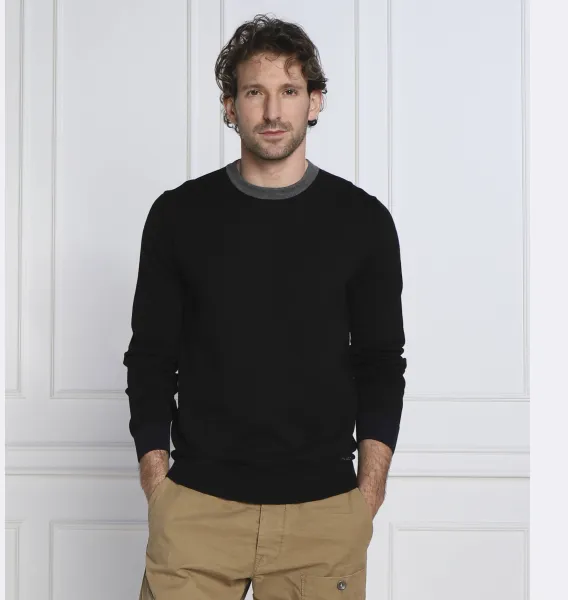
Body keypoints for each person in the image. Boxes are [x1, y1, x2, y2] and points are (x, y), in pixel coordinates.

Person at [123, 13, 407, 600]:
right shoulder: (179, 216)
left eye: (289, 91)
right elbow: (150, 357)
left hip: (322, 515)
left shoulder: (363, 222)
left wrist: (368, 494)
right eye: (255, 92)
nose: (273, 111)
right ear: (230, 106)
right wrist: (158, 484)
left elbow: (381, 362)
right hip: (196, 510)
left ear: (315, 101)